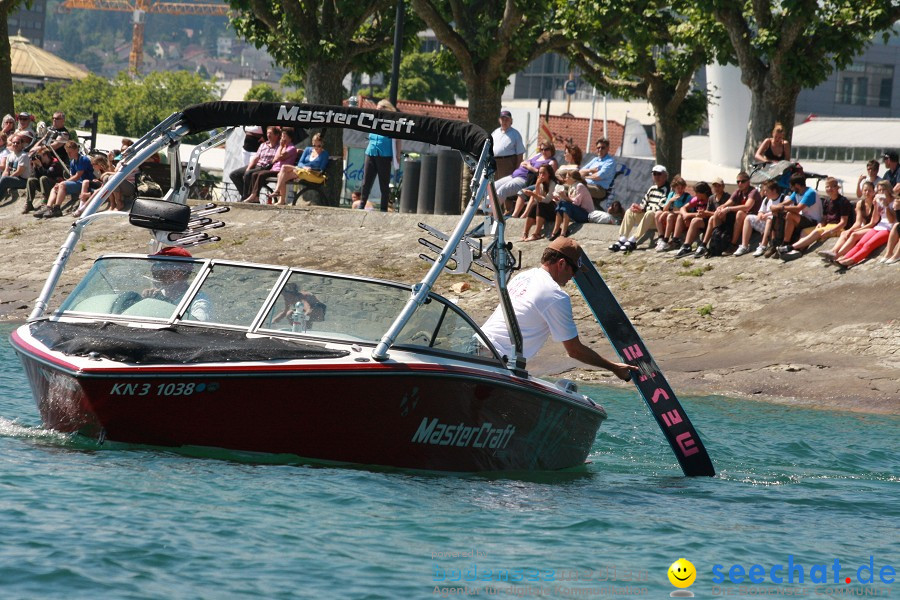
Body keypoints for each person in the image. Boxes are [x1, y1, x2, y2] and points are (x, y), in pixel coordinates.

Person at [480, 237, 637, 381]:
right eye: (574, 269)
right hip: (496, 359)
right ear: (561, 263)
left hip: (477, 345)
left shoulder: (524, 276)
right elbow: (574, 351)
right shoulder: (555, 295)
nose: (574, 276)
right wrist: (614, 367)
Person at [778, 177, 853, 259]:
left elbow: (843, 223)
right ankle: (798, 251)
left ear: (837, 188)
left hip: (838, 228)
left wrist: (830, 231)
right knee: (804, 231)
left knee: (817, 232)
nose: (830, 189)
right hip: (827, 225)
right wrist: (820, 223)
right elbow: (824, 218)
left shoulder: (843, 201)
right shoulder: (827, 201)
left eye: (833, 186)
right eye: (827, 187)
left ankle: (789, 248)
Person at [834, 181, 895, 268]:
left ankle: (851, 260)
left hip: (889, 228)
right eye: (879, 190)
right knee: (861, 243)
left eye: (883, 190)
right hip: (879, 227)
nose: (881, 192)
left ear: (888, 190)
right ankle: (844, 258)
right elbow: (875, 219)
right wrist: (876, 205)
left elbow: (892, 220)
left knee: (868, 245)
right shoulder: (879, 201)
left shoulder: (894, 201)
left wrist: (886, 206)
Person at [610, 164, 670, 252]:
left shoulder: (667, 190)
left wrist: (642, 209)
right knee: (629, 211)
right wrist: (636, 208)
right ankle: (622, 238)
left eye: (659, 174)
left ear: (665, 176)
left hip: (657, 221)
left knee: (650, 213)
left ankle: (633, 240)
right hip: (647, 218)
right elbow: (643, 204)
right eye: (654, 174)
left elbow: (660, 208)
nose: (656, 176)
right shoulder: (652, 188)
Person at [142, 247, 211, 321]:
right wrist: (145, 302)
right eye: (155, 267)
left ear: (180, 273)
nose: (156, 275)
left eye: (162, 269)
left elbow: (197, 327)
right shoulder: (158, 294)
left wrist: (165, 302)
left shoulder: (197, 299)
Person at [818, 180, 877, 264]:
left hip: (874, 228)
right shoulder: (860, 203)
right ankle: (833, 251)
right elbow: (858, 222)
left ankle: (837, 256)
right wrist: (850, 229)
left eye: (869, 190)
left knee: (854, 234)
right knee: (845, 233)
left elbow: (872, 223)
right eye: (865, 190)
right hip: (865, 227)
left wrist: (855, 230)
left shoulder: (875, 203)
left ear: (873, 192)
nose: (867, 192)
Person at [34, 141, 95, 219]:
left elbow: (77, 176)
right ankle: (48, 207)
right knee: (55, 188)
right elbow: (73, 176)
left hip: (85, 183)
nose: (69, 154)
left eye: (70, 152)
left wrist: (63, 182)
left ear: (76, 150)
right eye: (67, 152)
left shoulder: (83, 159)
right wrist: (60, 184)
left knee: (62, 184)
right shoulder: (73, 162)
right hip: (77, 183)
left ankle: (57, 208)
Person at [360, 99, 400, 212]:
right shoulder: (373, 120)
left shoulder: (393, 121)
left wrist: (397, 155)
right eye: (376, 110)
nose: (377, 112)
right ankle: (361, 205)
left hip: (385, 155)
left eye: (380, 110)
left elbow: (398, 140)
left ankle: (383, 208)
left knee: (384, 183)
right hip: (371, 152)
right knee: (366, 181)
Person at [243, 127, 299, 204]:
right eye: (282, 136)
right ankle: (254, 196)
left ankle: (254, 195)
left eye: (284, 136)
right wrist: (281, 147)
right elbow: (275, 158)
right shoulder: (281, 147)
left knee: (261, 174)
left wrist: (281, 147)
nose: (282, 138)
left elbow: (280, 157)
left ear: (290, 138)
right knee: (255, 174)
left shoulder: (291, 148)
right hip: (274, 169)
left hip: (280, 171)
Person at [272, 132, 328, 206]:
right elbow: (300, 163)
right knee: (281, 175)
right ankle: (280, 199)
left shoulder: (324, 154)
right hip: (301, 170)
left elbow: (321, 168)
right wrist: (304, 167)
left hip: (311, 174)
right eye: (314, 145)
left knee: (283, 169)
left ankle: (278, 193)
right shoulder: (308, 150)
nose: (316, 148)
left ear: (322, 144)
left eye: (319, 146)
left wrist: (311, 168)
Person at [770, 173, 821, 253]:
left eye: (791, 186)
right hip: (804, 219)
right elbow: (787, 202)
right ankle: (775, 243)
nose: (791, 189)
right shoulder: (797, 192)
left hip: (813, 221)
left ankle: (785, 243)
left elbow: (798, 209)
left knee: (790, 215)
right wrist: (776, 207)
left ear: (797, 185)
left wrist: (780, 207)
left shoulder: (810, 193)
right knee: (779, 213)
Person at [504, 143, 558, 217]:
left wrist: (530, 168)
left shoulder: (552, 162)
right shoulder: (538, 156)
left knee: (523, 192)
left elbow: (550, 177)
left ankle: (517, 215)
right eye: (541, 149)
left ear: (551, 150)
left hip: (542, 184)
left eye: (546, 149)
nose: (543, 151)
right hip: (530, 180)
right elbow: (527, 162)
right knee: (508, 192)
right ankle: (509, 213)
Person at [229, 125, 280, 201]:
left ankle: (247, 197)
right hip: (257, 165)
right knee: (234, 175)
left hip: (266, 167)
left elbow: (277, 159)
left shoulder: (279, 147)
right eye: (267, 133)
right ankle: (245, 196)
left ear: (276, 135)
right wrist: (248, 168)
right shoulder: (263, 145)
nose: (268, 135)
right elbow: (256, 158)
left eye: (270, 133)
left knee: (248, 174)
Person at [733, 179, 781, 257]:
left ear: (774, 190)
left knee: (769, 219)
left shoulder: (784, 198)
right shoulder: (766, 200)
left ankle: (763, 246)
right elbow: (760, 211)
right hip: (766, 223)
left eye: (766, 191)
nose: (764, 193)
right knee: (748, 218)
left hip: (777, 225)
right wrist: (760, 215)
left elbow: (783, 212)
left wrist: (767, 215)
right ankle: (744, 246)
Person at [672, 182, 715, 257]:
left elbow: (708, 214)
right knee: (680, 216)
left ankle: (687, 245)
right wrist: (685, 214)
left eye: (697, 193)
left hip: (707, 222)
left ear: (703, 193)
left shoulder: (711, 199)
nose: (695, 195)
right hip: (698, 221)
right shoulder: (697, 199)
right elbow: (683, 208)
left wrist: (690, 215)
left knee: (695, 220)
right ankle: (676, 240)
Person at [519, 164, 558, 242]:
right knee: (534, 206)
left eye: (543, 173)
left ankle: (537, 234)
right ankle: (525, 233)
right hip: (545, 208)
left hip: (555, 210)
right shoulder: (541, 183)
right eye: (540, 173)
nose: (541, 175)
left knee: (541, 204)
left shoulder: (553, 183)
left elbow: (547, 200)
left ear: (549, 174)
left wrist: (533, 194)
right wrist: (537, 185)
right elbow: (537, 200)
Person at [549, 170, 592, 240]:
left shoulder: (579, 186)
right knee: (561, 204)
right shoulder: (571, 186)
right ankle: (556, 230)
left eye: (567, 177)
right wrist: (559, 198)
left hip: (586, 214)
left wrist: (565, 197)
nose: (565, 179)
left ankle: (563, 231)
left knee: (565, 205)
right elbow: (569, 202)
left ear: (572, 178)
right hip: (577, 211)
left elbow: (576, 203)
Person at [654, 175, 691, 251]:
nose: (680, 190)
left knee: (670, 215)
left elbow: (683, 211)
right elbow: (665, 209)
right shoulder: (671, 195)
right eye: (678, 188)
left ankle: (665, 240)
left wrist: (669, 212)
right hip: (672, 217)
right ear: (674, 188)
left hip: (681, 220)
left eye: (682, 188)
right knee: (658, 213)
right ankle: (661, 237)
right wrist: (670, 200)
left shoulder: (687, 197)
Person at [24, 146, 64, 214]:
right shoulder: (42, 163)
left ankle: (45, 202)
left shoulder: (54, 162)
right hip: (44, 185)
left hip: (55, 185)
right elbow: (36, 176)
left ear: (45, 155)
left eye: (40, 156)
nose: (39, 158)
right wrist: (35, 166)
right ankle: (29, 203)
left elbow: (48, 174)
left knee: (43, 178)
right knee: (31, 180)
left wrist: (40, 166)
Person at [579, 137, 616, 203]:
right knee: (568, 186)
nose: (600, 150)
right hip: (586, 184)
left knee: (579, 187)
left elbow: (599, 176)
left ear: (608, 149)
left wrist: (585, 176)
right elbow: (580, 172)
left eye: (602, 148)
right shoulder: (595, 159)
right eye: (598, 148)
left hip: (599, 189)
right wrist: (590, 170)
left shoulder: (610, 161)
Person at [491, 110, 525, 180]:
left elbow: (520, 155)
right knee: (493, 186)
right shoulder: (495, 132)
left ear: (511, 121)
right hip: (494, 163)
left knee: (503, 186)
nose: (504, 121)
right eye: (502, 119)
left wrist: (517, 170)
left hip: (507, 164)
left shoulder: (515, 134)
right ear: (499, 120)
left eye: (507, 119)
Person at [0, 135, 32, 201]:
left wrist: (7, 179)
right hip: (13, 178)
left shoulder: (24, 156)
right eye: (14, 142)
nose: (15, 144)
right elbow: (6, 170)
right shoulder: (9, 156)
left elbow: (19, 171)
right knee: (3, 178)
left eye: (18, 143)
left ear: (22, 144)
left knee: (5, 179)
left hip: (23, 181)